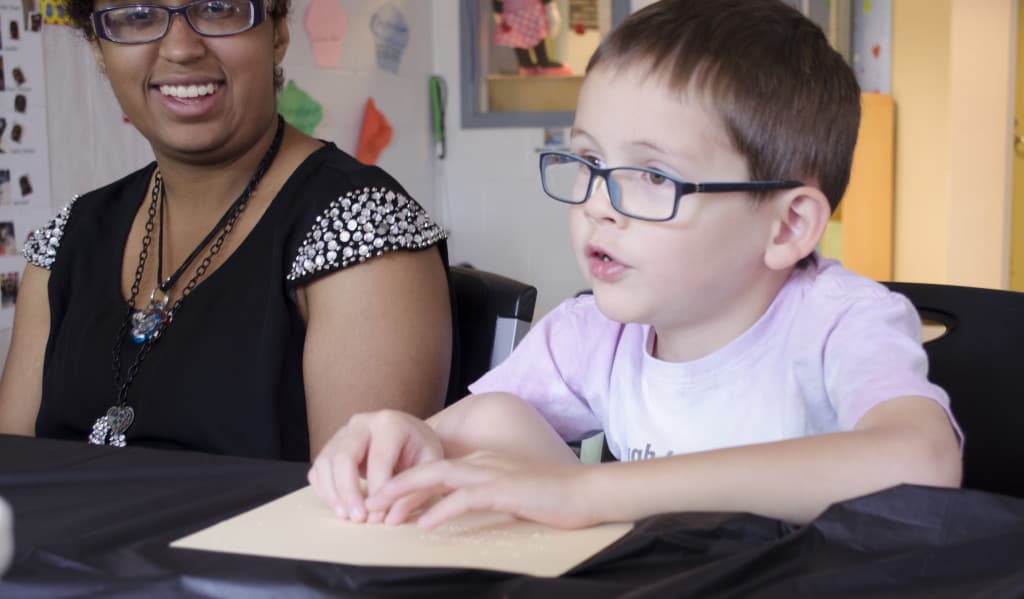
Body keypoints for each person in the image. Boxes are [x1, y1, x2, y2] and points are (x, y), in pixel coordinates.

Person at [307, 0, 963, 529]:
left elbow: (923, 459)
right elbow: (474, 429)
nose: (596, 203)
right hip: (657, 576)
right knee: (492, 417)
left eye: (652, 175)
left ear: (788, 225)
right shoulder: (592, 329)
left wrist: (594, 490)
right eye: (588, 161)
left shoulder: (838, 321)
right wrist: (397, 435)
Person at [0, 0, 452, 461]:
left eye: (218, 8)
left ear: (276, 32)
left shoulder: (364, 229)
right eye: (137, 15)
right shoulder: (67, 239)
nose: (180, 48)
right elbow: (15, 476)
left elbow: (357, 512)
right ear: (98, 46)